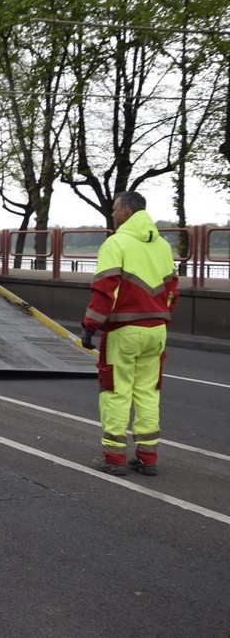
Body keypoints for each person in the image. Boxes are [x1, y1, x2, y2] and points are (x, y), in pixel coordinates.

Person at [81, 191, 178, 476]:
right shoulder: (162, 245)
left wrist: (90, 325)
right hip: (157, 330)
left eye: (114, 209)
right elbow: (172, 291)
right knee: (148, 392)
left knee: (116, 392)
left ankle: (114, 458)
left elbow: (105, 290)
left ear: (126, 211)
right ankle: (148, 458)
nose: (112, 214)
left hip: (124, 331)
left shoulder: (116, 243)